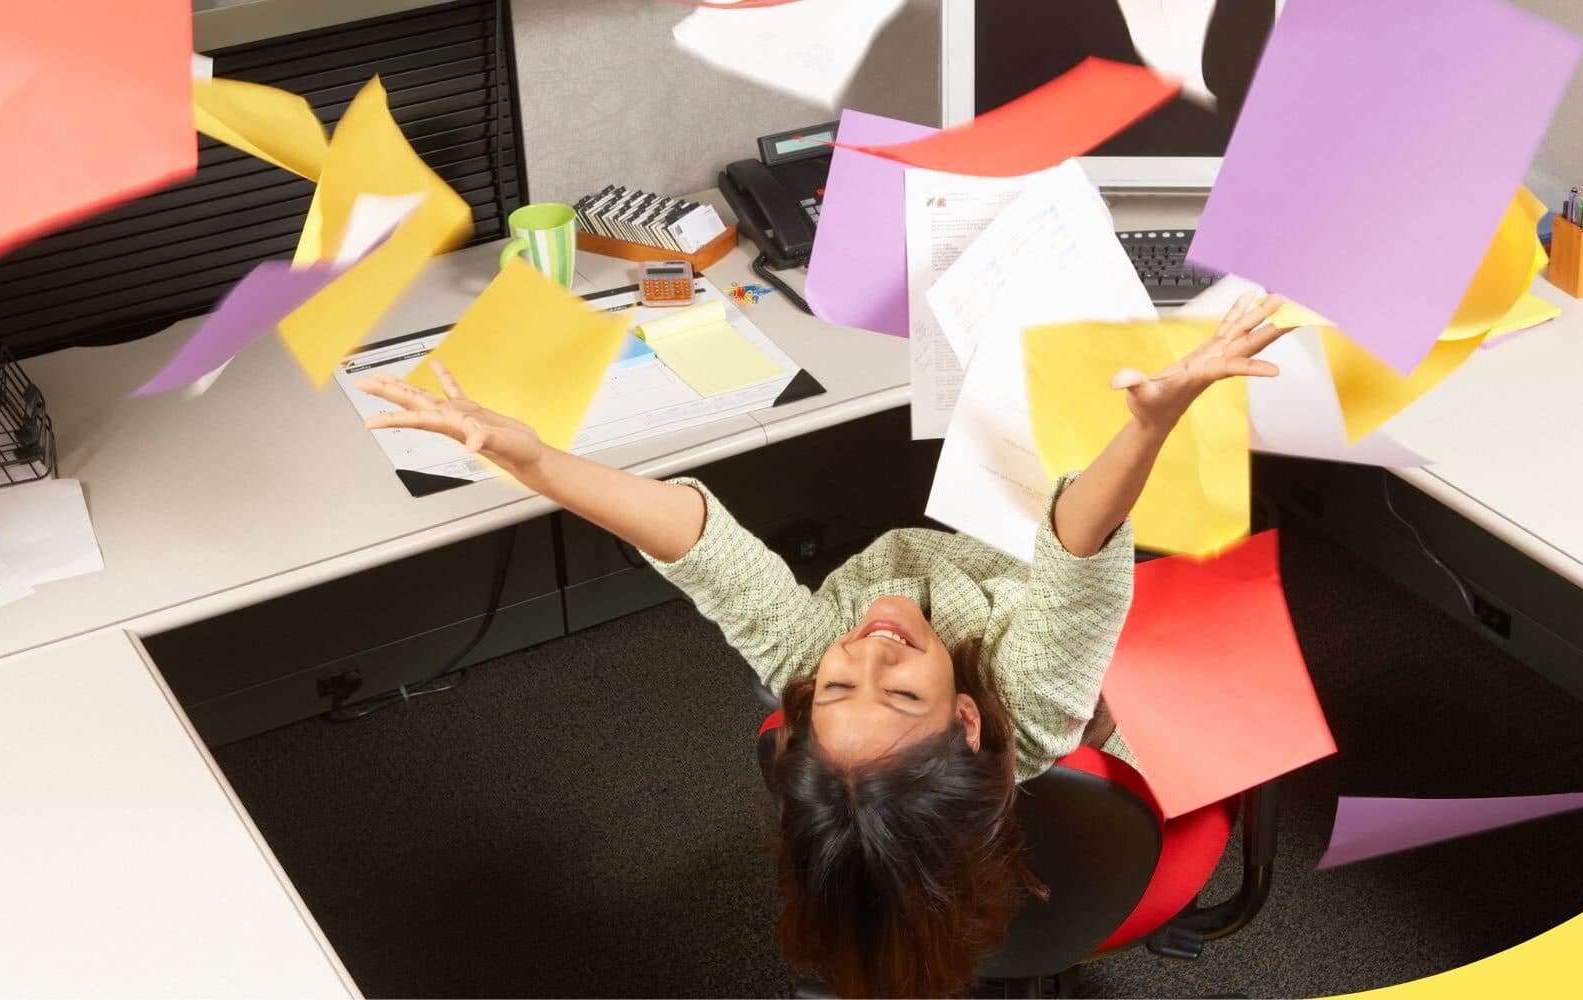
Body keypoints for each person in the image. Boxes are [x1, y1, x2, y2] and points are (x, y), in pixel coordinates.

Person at [355, 292, 1288, 997]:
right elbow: (1080, 561)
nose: (869, 652)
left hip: (981, 566)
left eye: (840, 690)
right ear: (969, 717)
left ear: (802, 713)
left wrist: (538, 464)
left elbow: (701, 547)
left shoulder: (811, 662)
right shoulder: (1029, 696)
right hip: (1038, 598)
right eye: (902, 694)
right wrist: (1150, 424)